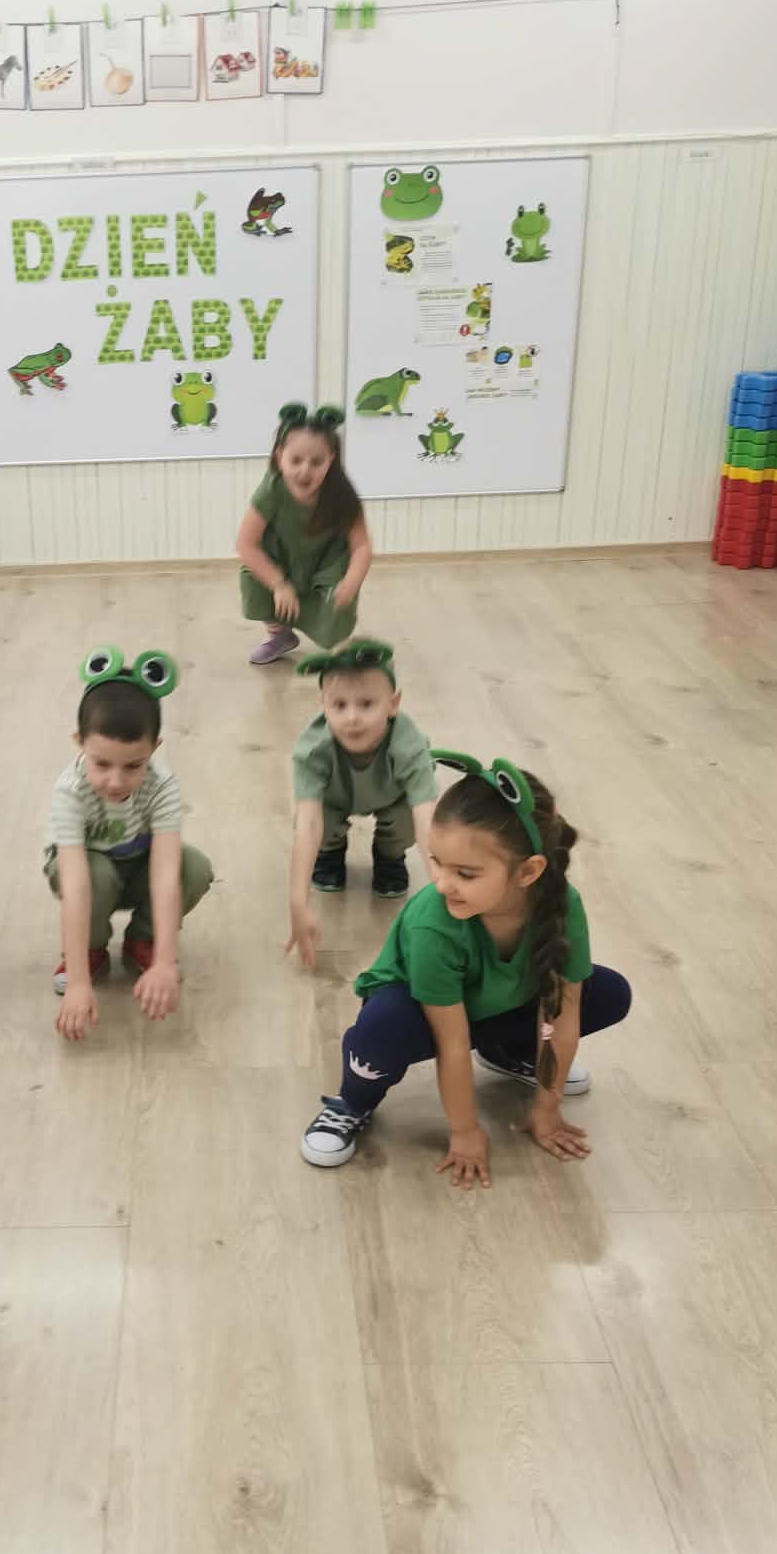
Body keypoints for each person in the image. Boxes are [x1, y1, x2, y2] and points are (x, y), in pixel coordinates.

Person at [299, 753, 631, 1187]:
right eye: (436, 861)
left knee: (606, 993)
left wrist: (547, 1108)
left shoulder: (561, 905)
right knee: (379, 1033)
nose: (441, 883)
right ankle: (352, 1103)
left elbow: (560, 1018)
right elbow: (452, 1043)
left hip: (493, 1005)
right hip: (422, 1016)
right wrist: (465, 1131)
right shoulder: (434, 922)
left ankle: (507, 1051)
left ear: (529, 872)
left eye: (466, 873)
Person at [45, 646, 213, 1043]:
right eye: (102, 764)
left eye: (133, 765)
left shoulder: (162, 785)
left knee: (194, 868)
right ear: (79, 742)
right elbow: (75, 884)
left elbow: (167, 873)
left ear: (154, 747)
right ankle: (88, 950)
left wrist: (166, 962)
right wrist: (78, 982)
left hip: (138, 864)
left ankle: (144, 938)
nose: (116, 781)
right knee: (95, 875)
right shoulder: (70, 791)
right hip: (90, 873)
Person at [286, 639, 438, 963]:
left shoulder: (410, 745)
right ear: (322, 704)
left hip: (392, 798)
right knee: (318, 824)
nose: (352, 717)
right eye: (339, 705)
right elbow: (308, 822)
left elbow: (426, 815)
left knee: (406, 821)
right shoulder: (311, 750)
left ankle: (389, 855)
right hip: (334, 800)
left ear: (393, 704)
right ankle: (331, 851)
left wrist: (442, 886)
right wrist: (298, 902)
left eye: (367, 704)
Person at [235, 401, 371, 666]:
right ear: (279, 457)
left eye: (317, 462)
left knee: (337, 604)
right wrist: (278, 583)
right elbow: (245, 544)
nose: (305, 471)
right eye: (295, 460)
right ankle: (279, 634)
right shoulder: (271, 491)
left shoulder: (341, 494)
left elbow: (361, 546)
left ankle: (341, 648)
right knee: (253, 575)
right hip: (284, 559)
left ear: (331, 461)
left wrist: (351, 582)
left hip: (326, 566)